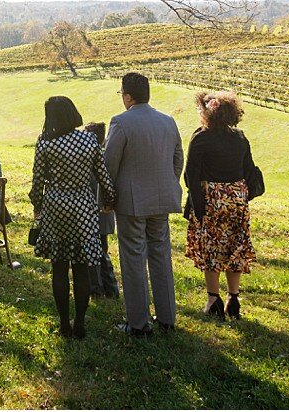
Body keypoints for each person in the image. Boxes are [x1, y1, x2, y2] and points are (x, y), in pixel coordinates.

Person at [104, 71, 183, 336]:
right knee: (161, 255)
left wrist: (106, 199)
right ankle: (167, 317)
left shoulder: (121, 122)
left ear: (127, 96)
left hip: (132, 202)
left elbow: (109, 165)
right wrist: (169, 182)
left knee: (133, 258)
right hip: (161, 199)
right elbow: (177, 157)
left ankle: (138, 323)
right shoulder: (168, 121)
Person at [31, 96, 115, 339]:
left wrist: (37, 204)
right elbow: (103, 175)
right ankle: (80, 322)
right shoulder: (89, 140)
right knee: (81, 267)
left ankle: (63, 323)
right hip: (82, 205)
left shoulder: (45, 144)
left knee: (59, 267)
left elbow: (37, 181)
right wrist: (109, 199)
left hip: (56, 205)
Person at [183, 91, 259, 320]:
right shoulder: (240, 138)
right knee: (236, 246)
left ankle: (213, 299)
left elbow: (190, 176)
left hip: (211, 198)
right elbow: (249, 171)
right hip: (236, 197)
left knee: (212, 248)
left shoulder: (201, 138)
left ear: (208, 114)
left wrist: (197, 207)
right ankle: (233, 298)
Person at [84, 121, 121, 299]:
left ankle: (97, 289)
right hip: (105, 214)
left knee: (92, 253)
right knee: (102, 251)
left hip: (92, 214)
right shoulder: (107, 157)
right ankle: (111, 289)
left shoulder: (90, 161)